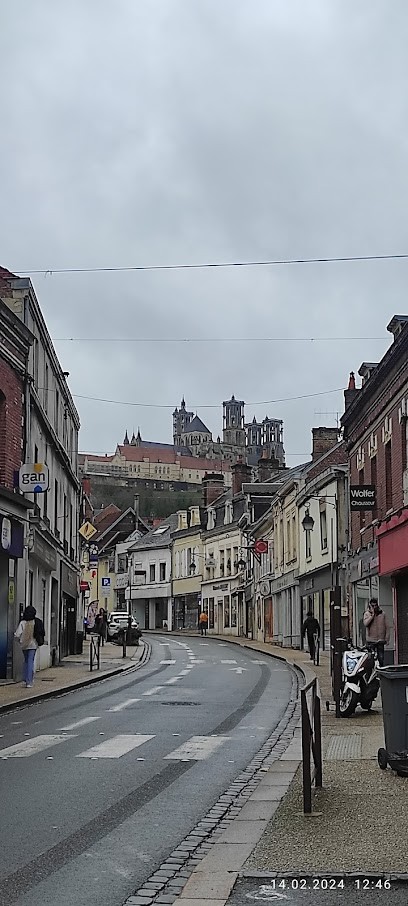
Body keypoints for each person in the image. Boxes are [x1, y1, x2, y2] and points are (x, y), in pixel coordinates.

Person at [14, 605, 44, 688]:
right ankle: (29, 681)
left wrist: (19, 641)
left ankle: (25, 678)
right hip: (33, 644)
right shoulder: (36, 622)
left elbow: (17, 634)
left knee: (26, 661)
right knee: (31, 661)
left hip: (24, 644)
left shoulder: (22, 622)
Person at [363, 597, 389, 667]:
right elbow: (366, 623)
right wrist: (372, 615)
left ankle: (380, 669)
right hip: (371, 640)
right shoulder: (367, 614)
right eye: (373, 606)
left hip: (380, 640)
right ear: (370, 606)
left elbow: (387, 626)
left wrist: (387, 638)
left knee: (381, 657)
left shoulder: (382, 614)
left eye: (375, 605)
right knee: (370, 659)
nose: (374, 607)